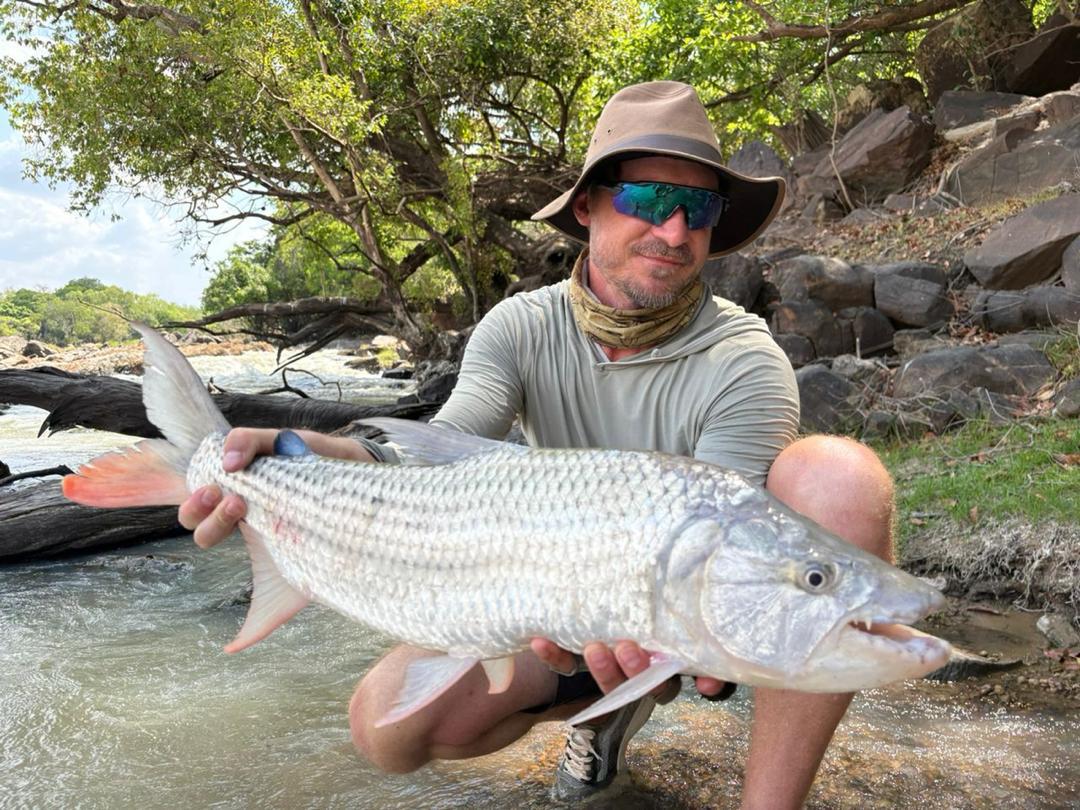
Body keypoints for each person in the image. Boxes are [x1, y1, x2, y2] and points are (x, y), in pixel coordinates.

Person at [179, 81, 895, 808]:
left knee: (839, 476)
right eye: (647, 200)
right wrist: (296, 457)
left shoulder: (745, 357)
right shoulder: (518, 327)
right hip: (548, 604)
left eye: (699, 209)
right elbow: (441, 450)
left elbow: (718, 545)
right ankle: (601, 717)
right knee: (386, 728)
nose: (675, 233)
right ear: (587, 209)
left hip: (702, 617)